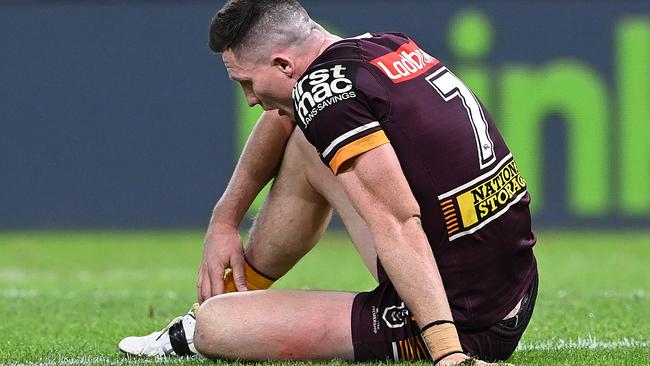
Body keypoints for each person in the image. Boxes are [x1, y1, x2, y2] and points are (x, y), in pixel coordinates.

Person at [119, 1, 538, 364]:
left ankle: (207, 315)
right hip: (511, 281)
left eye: (247, 82)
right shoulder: (384, 45)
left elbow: (398, 221)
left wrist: (449, 353)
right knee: (304, 143)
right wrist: (225, 219)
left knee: (215, 328)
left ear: (284, 63)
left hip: (470, 319)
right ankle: (238, 287)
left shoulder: (323, 96)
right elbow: (284, 117)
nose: (248, 97)